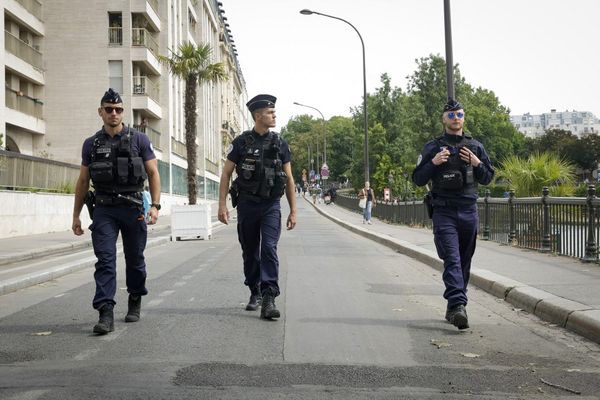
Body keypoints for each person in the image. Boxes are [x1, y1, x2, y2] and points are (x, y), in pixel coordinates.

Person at [72, 88, 161, 335]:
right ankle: (105, 312)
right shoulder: (91, 144)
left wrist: (154, 206)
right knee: (105, 261)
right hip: (104, 210)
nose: (114, 113)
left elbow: (153, 173)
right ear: (100, 112)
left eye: (118, 110)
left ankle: (135, 297)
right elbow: (82, 181)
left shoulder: (139, 140)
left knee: (135, 260)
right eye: (109, 109)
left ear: (123, 112)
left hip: (133, 208)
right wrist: (76, 215)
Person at [412, 99, 494, 330]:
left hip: (469, 211)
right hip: (443, 211)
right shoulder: (433, 147)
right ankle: (459, 305)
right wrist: (434, 163)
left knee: (464, 261)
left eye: (459, 114)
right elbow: (418, 179)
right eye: (450, 115)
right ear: (443, 119)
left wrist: (477, 163)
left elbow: (488, 178)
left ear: (464, 118)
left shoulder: (475, 146)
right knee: (452, 258)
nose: (455, 118)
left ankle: (453, 307)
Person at [218, 94, 297, 320]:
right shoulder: (242, 143)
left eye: (274, 112)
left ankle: (269, 296)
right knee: (250, 252)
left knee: (269, 248)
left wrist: (293, 210)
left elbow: (289, 179)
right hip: (247, 205)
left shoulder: (280, 143)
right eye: (270, 113)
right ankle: (254, 289)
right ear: (258, 115)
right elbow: (226, 174)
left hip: (271, 205)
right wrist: (222, 205)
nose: (274, 115)